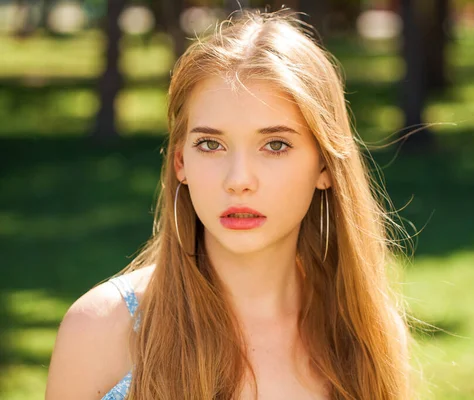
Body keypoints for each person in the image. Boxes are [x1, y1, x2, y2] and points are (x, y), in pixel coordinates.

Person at [45, 9, 414, 400]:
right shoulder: (101, 328)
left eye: (275, 145)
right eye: (211, 144)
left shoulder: (368, 334)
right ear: (180, 162)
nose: (238, 180)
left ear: (325, 165)